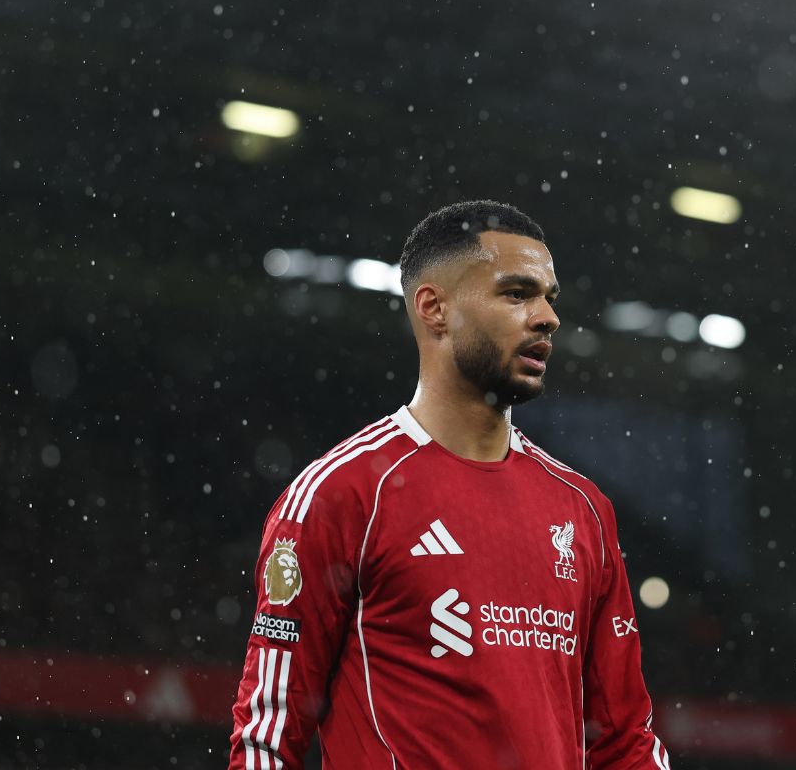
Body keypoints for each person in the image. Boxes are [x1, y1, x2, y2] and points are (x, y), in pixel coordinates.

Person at [227, 200, 671, 770]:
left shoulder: (583, 509)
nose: (547, 318)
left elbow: (625, 741)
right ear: (434, 308)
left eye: (549, 298)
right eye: (517, 294)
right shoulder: (344, 493)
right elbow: (270, 731)